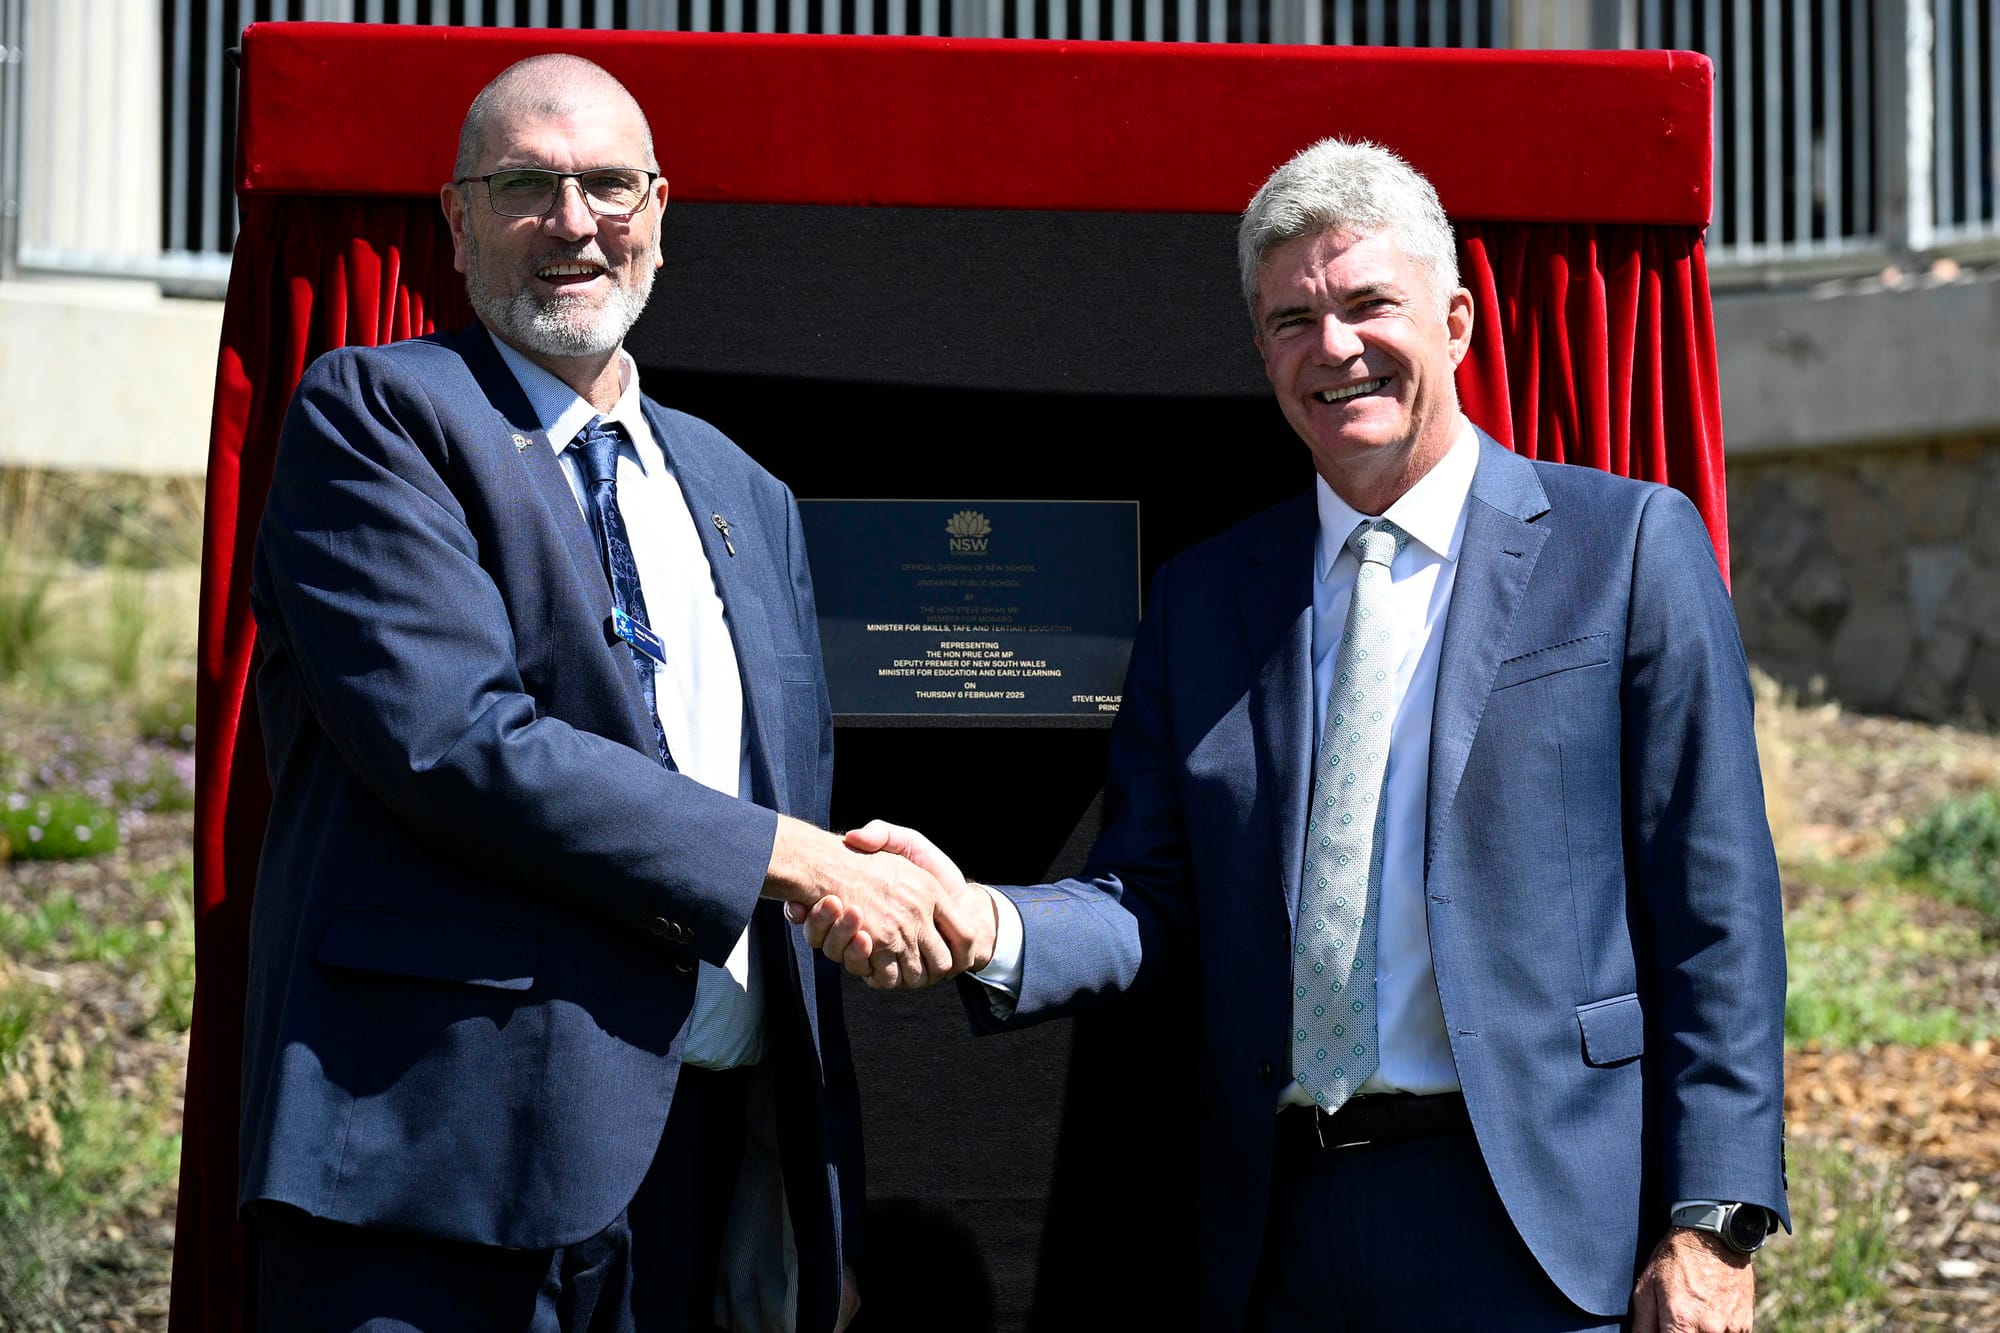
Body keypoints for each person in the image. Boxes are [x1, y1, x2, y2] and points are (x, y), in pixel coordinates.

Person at [812, 139, 1789, 1333]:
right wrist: (985, 924)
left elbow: (1719, 909)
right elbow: (1152, 901)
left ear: (1458, 320)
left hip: (1543, 1222)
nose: (1332, 347)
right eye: (1291, 319)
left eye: (1367, 303)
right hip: (1281, 1230)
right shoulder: (1206, 598)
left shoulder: (1622, 547)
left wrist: (1712, 1221)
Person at [240, 53, 981, 1333]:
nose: (574, 222)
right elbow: (457, 741)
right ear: (456, 221)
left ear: (659, 211)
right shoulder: (379, 418)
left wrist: (819, 1199)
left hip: (693, 1165)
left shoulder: (746, 492)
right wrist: (800, 860)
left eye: (608, 185)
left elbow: (775, 788)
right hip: (441, 1164)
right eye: (525, 185)